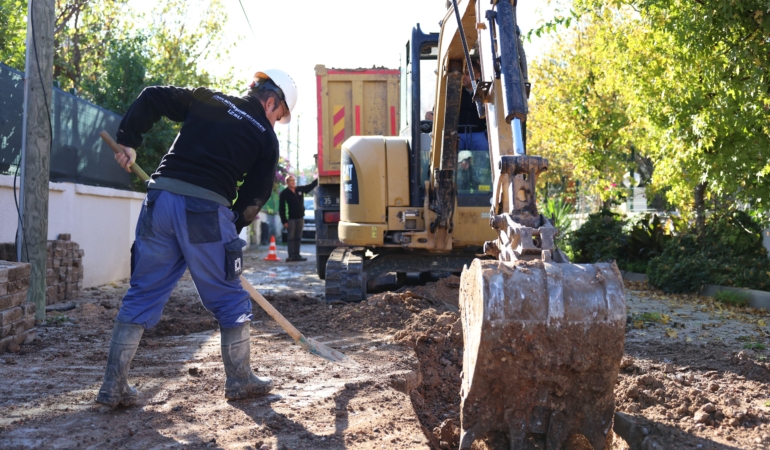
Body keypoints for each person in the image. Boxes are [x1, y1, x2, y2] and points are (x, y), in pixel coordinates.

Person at [97, 69, 298, 408]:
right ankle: (239, 380)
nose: (275, 122)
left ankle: (112, 387)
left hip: (159, 202)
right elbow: (256, 194)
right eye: (278, 115)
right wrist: (230, 226)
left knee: (141, 293)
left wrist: (129, 140)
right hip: (205, 211)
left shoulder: (208, 98)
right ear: (270, 101)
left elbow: (152, 96)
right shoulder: (265, 135)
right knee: (229, 298)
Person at [279, 175, 318, 261]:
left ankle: (297, 255)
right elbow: (281, 208)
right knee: (291, 238)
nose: (293, 182)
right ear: (287, 183)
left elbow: (310, 186)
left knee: (298, 237)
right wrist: (284, 221)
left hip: (300, 218)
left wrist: (319, 178)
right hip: (291, 219)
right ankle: (291, 256)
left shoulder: (299, 190)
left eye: (294, 180)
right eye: (291, 181)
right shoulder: (284, 193)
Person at [458, 61, 489, 151]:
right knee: (452, 150)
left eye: (467, 74)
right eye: (462, 73)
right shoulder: (454, 90)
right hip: (457, 133)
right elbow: (438, 110)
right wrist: (431, 114)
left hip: (478, 133)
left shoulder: (485, 91)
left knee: (483, 148)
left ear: (477, 75)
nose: (463, 77)